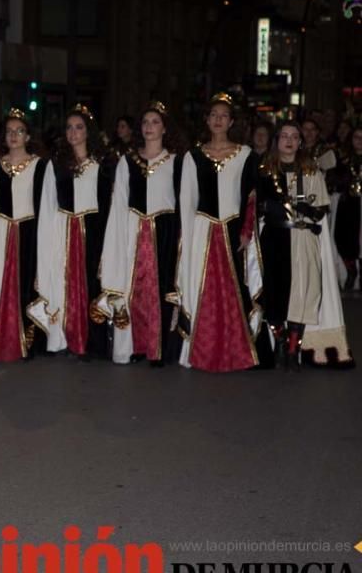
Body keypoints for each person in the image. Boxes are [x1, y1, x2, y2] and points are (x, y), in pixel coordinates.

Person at [176, 92, 267, 372]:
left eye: (223, 115)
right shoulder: (193, 156)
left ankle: (235, 351)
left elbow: (251, 197)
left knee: (234, 290)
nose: (218, 120)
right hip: (202, 229)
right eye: (213, 115)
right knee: (202, 288)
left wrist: (246, 230)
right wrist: (187, 237)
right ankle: (199, 351)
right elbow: (187, 199)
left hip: (231, 227)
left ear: (231, 122)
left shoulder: (245, 156)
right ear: (206, 120)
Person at [257, 121, 354, 369]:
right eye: (284, 136)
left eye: (294, 136)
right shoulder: (265, 171)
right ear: (276, 140)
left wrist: (307, 209)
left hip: (302, 239)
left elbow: (321, 210)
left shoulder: (311, 171)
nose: (289, 141)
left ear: (300, 142)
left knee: (302, 294)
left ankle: (292, 349)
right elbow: (255, 205)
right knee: (274, 292)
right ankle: (278, 339)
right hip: (275, 238)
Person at [97, 101, 185, 366]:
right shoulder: (128, 161)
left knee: (160, 288)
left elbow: (182, 200)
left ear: (165, 128)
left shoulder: (176, 161)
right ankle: (135, 345)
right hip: (134, 230)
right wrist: (120, 234)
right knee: (134, 287)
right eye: (145, 122)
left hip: (164, 232)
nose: (149, 127)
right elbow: (120, 199)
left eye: (155, 122)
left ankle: (158, 348)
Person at [30, 104, 114, 360]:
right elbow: (48, 202)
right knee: (63, 283)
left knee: (91, 283)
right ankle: (63, 338)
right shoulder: (56, 165)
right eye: (69, 128)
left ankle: (92, 342)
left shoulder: (103, 164)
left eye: (79, 127)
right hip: (64, 230)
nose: (74, 132)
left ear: (88, 131)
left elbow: (110, 204)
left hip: (93, 232)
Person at [0, 107, 45, 361]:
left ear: (28, 136)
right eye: (9, 132)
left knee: (26, 285)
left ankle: (26, 342)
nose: (14, 136)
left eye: (19, 131)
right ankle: (0, 338)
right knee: (2, 283)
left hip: (28, 232)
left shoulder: (39, 165)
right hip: (1, 232)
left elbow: (45, 205)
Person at [333, 126, 362, 290]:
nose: (359, 141)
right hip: (348, 204)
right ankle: (351, 271)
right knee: (343, 239)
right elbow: (335, 179)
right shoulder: (344, 159)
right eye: (357, 137)